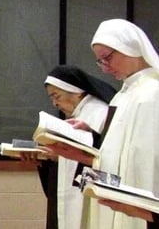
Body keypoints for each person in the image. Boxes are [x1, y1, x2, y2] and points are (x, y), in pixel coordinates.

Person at [46, 18, 159, 229]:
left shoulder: (152, 93)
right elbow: (114, 158)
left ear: (130, 47)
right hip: (116, 202)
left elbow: (145, 162)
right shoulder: (122, 97)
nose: (105, 68)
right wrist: (87, 145)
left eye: (107, 58)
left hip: (139, 208)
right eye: (100, 62)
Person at [25, 65, 116, 229]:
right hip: (76, 193)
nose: (55, 103)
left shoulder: (98, 113)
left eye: (56, 96)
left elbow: (103, 162)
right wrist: (45, 160)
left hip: (89, 197)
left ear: (76, 91)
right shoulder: (82, 114)